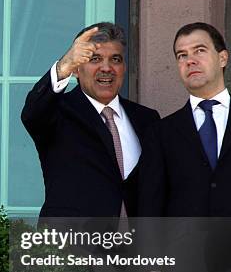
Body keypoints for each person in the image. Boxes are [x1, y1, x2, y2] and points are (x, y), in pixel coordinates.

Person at [21, 22, 160, 218]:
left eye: (115, 59)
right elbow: (32, 113)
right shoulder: (58, 112)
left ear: (124, 68)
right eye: (95, 59)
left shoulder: (147, 119)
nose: (106, 68)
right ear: (77, 69)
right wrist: (64, 65)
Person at [138, 22, 231, 217]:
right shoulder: (161, 132)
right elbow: (150, 207)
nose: (190, 61)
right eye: (182, 55)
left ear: (222, 58)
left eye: (199, 51)